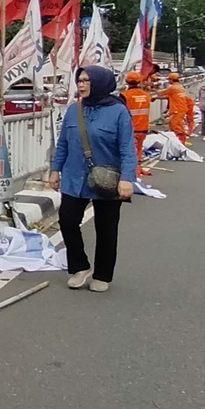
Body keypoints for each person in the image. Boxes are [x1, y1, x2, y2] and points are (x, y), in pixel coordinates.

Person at [48, 67, 137, 293]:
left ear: (99, 82)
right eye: (80, 80)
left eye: (87, 80)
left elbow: (128, 148)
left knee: (106, 229)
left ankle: (102, 274)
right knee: (67, 221)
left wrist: (127, 179)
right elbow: (63, 144)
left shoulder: (118, 111)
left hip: (107, 179)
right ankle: (79, 267)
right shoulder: (73, 111)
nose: (82, 84)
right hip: (74, 177)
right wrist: (55, 169)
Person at [120, 72, 152, 176]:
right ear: (139, 81)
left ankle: (135, 172)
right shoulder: (146, 95)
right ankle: (139, 168)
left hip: (131, 128)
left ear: (127, 82)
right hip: (143, 127)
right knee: (138, 150)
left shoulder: (124, 95)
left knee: (130, 151)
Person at [159, 73, 191, 144]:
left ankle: (180, 142)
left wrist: (152, 91)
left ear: (171, 80)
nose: (168, 81)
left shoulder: (172, 88)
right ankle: (179, 141)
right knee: (177, 125)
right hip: (181, 108)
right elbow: (169, 96)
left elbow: (161, 93)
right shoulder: (180, 87)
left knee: (176, 126)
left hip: (177, 109)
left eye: (169, 79)